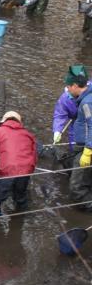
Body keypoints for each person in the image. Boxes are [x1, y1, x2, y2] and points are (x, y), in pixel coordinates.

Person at [0, 111, 37, 216]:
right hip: (25, 172)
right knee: (20, 198)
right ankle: (20, 219)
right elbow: (33, 157)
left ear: (4, 120)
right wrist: (29, 171)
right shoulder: (28, 135)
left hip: (7, 171)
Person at [64, 65, 92, 211]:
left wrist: (88, 151)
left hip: (87, 148)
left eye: (68, 86)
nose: (67, 89)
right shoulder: (86, 98)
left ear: (75, 85)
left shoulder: (87, 102)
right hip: (83, 145)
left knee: (77, 187)